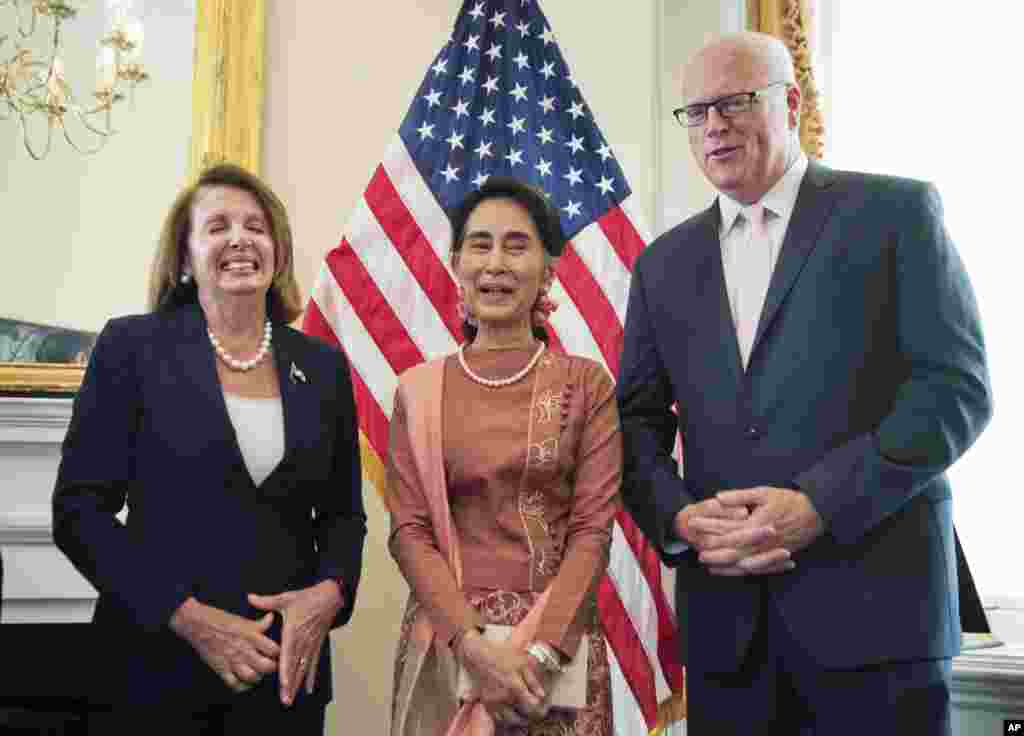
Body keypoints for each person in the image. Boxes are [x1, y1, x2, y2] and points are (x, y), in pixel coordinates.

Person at [617, 32, 992, 735]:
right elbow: (635, 423)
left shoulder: (895, 215)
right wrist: (677, 516)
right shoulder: (662, 265)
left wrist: (820, 502)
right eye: (696, 112)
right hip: (731, 638)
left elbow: (957, 390)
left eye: (735, 102)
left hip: (880, 632)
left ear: (790, 103)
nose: (715, 126)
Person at [52, 163, 367, 734]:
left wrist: (329, 594)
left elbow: (345, 517)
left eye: (257, 226)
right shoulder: (131, 348)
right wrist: (189, 618)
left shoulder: (322, 366)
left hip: (282, 677)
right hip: (152, 671)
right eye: (217, 226)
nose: (241, 238)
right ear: (184, 258)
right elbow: (78, 513)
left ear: (277, 251)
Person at [387, 177, 621, 735]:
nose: (496, 263)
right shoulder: (417, 391)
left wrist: (536, 658)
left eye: (517, 246)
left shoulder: (587, 387)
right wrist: (473, 648)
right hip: (448, 647)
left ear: (548, 270)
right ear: (456, 264)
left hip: (555, 661)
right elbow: (410, 531)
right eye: (480, 244)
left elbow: (593, 531)